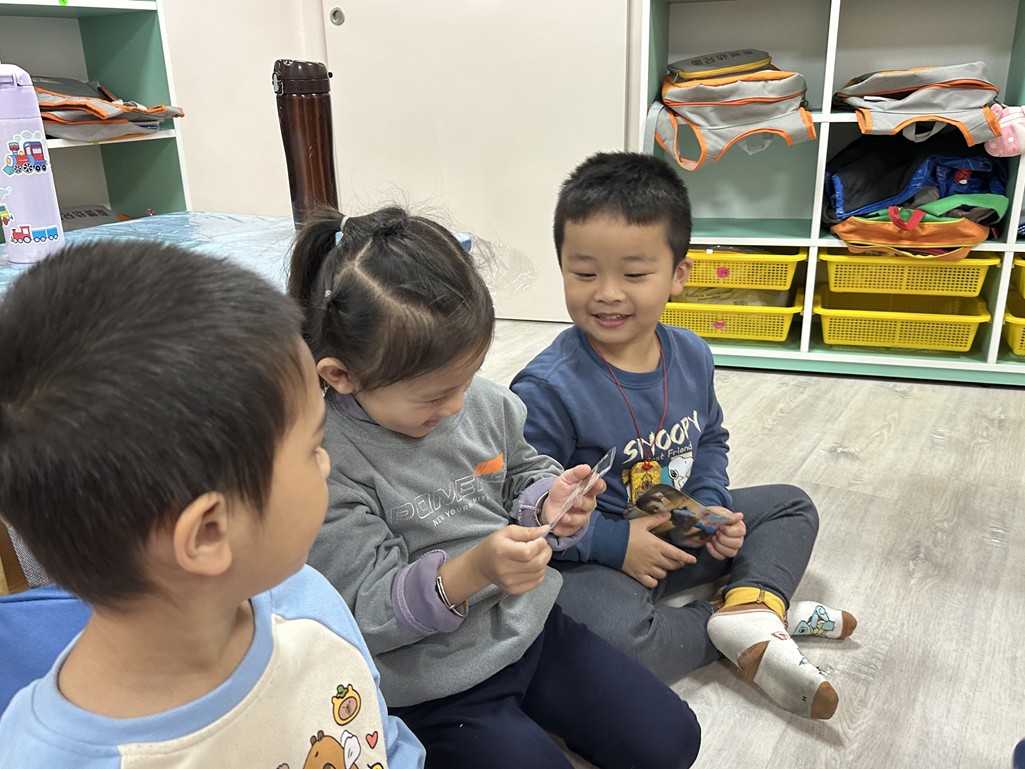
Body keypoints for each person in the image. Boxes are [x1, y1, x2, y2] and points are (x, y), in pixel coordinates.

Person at [289, 206, 701, 769]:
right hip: (431, 682)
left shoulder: (482, 403)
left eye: (468, 376)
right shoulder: (325, 462)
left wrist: (549, 501)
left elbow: (522, 470)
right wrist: (474, 571)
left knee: (672, 740)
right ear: (341, 376)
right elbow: (368, 611)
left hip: (531, 628)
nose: (458, 405)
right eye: (435, 395)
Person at [0, 241, 425, 768]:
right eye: (313, 447)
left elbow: (382, 741)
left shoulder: (309, 602)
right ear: (208, 532)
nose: (326, 464)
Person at [510, 151, 857, 721]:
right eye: (585, 273)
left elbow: (711, 437)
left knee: (792, 506)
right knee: (609, 639)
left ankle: (753, 607)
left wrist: (713, 508)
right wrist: (615, 545)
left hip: (683, 528)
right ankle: (749, 615)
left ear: (678, 275)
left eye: (635, 275)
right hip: (597, 560)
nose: (608, 293)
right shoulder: (547, 388)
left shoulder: (691, 353)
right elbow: (525, 506)